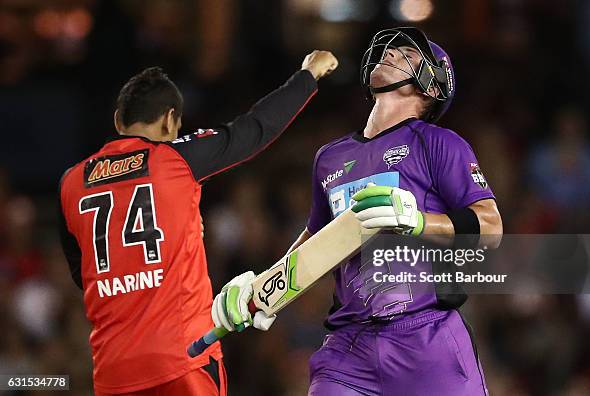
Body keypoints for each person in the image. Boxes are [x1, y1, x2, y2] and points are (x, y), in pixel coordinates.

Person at [212, 27, 503, 395]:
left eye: (407, 55)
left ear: (431, 87)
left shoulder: (440, 144)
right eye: (390, 50)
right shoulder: (329, 157)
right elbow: (316, 242)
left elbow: (492, 228)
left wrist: (416, 222)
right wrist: (261, 292)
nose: (391, 54)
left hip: (429, 338)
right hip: (349, 347)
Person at [57, 50, 338, 396]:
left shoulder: (71, 182)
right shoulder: (175, 158)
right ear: (169, 121)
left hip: (114, 371)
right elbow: (254, 129)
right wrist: (307, 75)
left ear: (118, 121)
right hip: (183, 360)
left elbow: (82, 274)